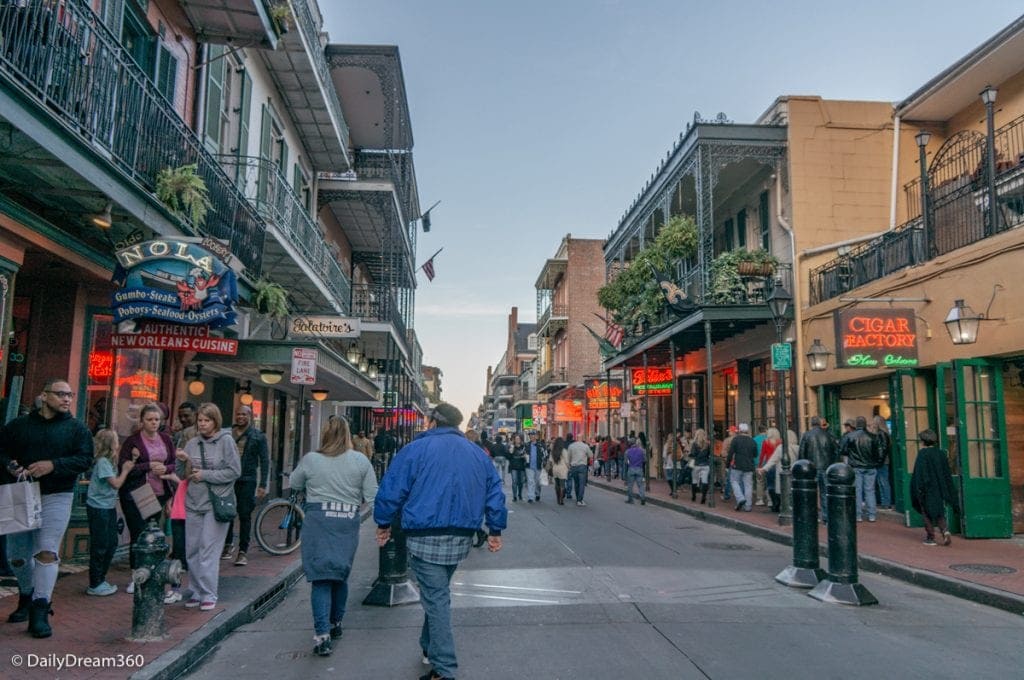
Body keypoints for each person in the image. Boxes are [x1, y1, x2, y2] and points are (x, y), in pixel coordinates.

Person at [374, 403, 506, 680]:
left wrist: (383, 522)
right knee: (437, 593)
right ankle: (428, 648)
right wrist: (495, 529)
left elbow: (392, 486)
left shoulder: (415, 450)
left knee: (437, 599)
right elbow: (494, 490)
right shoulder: (477, 454)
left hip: (424, 534)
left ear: (433, 421)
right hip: (460, 536)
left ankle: (445, 670)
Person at [0, 379, 93, 637]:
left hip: (57, 494)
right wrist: (10, 465)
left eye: (70, 395)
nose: (66, 399)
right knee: (16, 557)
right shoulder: (18, 426)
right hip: (20, 493)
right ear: (44, 395)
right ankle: (26, 596)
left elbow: (85, 459)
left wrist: (53, 465)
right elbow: (1, 450)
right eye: (61, 394)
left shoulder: (77, 429)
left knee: (47, 552)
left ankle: (41, 609)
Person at [290, 416, 377, 656]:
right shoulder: (360, 461)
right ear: (348, 435)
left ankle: (322, 635)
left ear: (325, 434)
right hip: (347, 521)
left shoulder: (311, 459)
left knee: (321, 579)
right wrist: (384, 525)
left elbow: (294, 483)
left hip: (318, 521)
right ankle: (336, 622)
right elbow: (372, 495)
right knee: (340, 574)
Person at [176, 403, 241, 611]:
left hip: (215, 502)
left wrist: (205, 475)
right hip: (193, 502)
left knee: (208, 550)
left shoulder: (226, 441)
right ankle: (195, 590)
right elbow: (180, 475)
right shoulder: (192, 443)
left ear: (215, 421)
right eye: (200, 420)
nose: (202, 424)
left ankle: (208, 593)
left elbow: (234, 471)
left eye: (206, 420)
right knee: (192, 550)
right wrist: (182, 461)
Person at [118, 402, 176, 593]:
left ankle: (151, 570)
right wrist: (148, 465)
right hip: (139, 492)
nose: (154, 423)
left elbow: (173, 464)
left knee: (152, 533)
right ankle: (136, 574)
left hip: (159, 491)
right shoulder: (133, 441)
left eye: (157, 420)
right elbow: (125, 467)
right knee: (139, 533)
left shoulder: (166, 439)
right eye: (150, 419)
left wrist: (164, 468)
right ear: (142, 421)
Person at [86, 429, 132, 596]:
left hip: (107, 506)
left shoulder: (109, 461)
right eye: (116, 440)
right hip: (99, 508)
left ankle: (100, 579)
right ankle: (95, 582)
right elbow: (116, 484)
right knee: (101, 544)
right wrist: (126, 470)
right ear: (111, 443)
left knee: (111, 542)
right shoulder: (103, 462)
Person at [222, 405, 270, 567]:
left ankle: (243, 551)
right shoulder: (226, 433)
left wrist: (263, 484)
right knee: (227, 513)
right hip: (228, 479)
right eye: (238, 414)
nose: (240, 417)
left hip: (247, 479)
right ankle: (227, 545)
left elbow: (264, 461)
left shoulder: (258, 436)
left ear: (250, 416)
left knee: (244, 515)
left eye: (244, 414)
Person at [910, 429, 958, 546]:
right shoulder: (940, 453)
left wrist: (917, 488)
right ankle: (945, 531)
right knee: (939, 511)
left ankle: (931, 537)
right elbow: (945, 472)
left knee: (926, 512)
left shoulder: (922, 454)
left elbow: (919, 473)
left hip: (926, 488)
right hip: (938, 487)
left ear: (923, 441)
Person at [798, 416, 839, 523]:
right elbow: (835, 451)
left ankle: (812, 515)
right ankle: (826, 516)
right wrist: (833, 464)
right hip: (826, 467)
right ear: (820, 423)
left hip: (811, 468)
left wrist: (803, 467)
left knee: (811, 492)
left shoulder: (807, 435)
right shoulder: (829, 435)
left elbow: (802, 453)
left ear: (811, 424)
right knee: (825, 492)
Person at [841, 416, 882, 522]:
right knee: (870, 490)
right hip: (870, 466)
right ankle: (871, 515)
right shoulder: (873, 436)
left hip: (856, 466)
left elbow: (843, 450)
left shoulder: (850, 436)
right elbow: (878, 453)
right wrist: (876, 462)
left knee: (857, 491)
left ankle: (858, 515)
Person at [725, 423, 757, 511]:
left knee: (734, 481)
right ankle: (748, 505)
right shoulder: (752, 441)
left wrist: (727, 465)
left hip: (737, 464)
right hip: (749, 465)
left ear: (739, 431)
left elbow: (731, 453)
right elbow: (755, 454)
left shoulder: (736, 440)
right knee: (748, 485)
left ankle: (740, 498)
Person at [870, 415, 893, 509]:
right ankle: (885, 502)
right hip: (884, 461)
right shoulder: (885, 434)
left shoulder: (881, 434)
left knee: (883, 482)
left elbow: (881, 450)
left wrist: (878, 461)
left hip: (881, 462)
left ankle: (886, 503)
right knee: (883, 482)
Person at [566, 432, 591, 506]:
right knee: (582, 484)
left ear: (576, 438)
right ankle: (580, 500)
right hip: (582, 466)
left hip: (574, 466)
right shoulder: (585, 446)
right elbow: (590, 455)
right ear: (582, 438)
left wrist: (569, 465)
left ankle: (578, 498)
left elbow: (568, 457)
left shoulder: (571, 446)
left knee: (576, 483)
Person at [689, 428, 712, 504]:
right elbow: (709, 454)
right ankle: (703, 497)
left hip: (697, 464)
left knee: (694, 480)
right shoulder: (708, 444)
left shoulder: (694, 444)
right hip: (705, 464)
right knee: (705, 481)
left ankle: (693, 496)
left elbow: (693, 454)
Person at [524, 431, 547, 503]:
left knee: (537, 482)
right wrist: (523, 456)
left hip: (538, 466)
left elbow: (545, 454)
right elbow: (523, 452)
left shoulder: (541, 445)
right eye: (530, 435)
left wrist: (544, 462)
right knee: (530, 481)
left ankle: (537, 493)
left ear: (536, 436)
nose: (531, 437)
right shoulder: (527, 445)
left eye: (532, 435)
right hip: (529, 466)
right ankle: (530, 497)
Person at [624, 437, 646, 505]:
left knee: (630, 485)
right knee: (640, 485)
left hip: (631, 468)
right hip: (639, 468)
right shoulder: (642, 450)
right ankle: (642, 497)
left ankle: (631, 499)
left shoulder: (627, 451)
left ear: (630, 444)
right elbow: (645, 460)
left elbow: (625, 462)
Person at [547, 437, 569, 504]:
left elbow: (550, 461)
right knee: (562, 484)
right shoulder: (564, 451)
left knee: (557, 484)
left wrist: (548, 469)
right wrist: (569, 468)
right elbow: (567, 461)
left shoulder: (553, 451)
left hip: (555, 468)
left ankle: (558, 499)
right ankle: (561, 499)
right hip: (562, 468)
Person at [508, 433, 527, 502]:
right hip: (514, 466)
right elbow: (509, 456)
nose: (517, 440)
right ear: (514, 440)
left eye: (518, 439)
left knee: (521, 482)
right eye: (516, 439)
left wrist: (524, 456)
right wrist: (511, 450)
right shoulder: (512, 446)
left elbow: (526, 456)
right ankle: (514, 496)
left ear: (521, 440)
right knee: (514, 481)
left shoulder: (523, 447)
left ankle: (520, 494)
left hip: (521, 466)